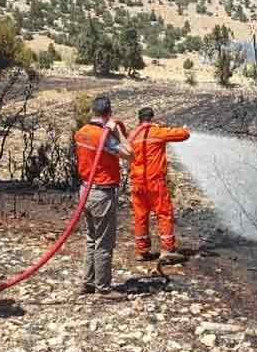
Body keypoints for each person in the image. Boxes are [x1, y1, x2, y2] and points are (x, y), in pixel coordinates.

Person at [74, 96, 133, 298]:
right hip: (102, 193)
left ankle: (88, 282)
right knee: (104, 242)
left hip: (85, 191)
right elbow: (129, 153)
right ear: (108, 113)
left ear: (93, 111)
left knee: (91, 237)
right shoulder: (104, 136)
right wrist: (117, 131)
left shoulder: (82, 132)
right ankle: (104, 288)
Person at [128, 107, 190, 262]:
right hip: (155, 182)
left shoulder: (132, 135)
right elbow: (184, 135)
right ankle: (167, 250)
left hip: (137, 183)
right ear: (152, 118)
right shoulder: (158, 132)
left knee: (140, 216)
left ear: (139, 119)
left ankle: (142, 251)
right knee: (164, 213)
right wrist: (179, 128)